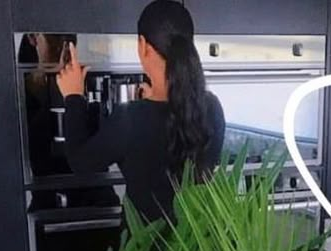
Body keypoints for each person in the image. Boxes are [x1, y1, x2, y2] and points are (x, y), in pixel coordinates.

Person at [56, 0, 225, 220]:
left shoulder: (131, 120)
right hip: (193, 249)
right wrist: (153, 99)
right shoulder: (213, 108)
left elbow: (80, 162)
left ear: (143, 46)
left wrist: (73, 96)